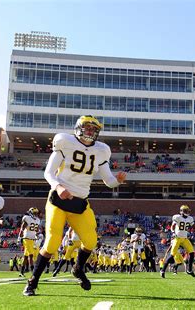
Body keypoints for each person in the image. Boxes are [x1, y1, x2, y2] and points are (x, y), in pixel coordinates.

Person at [23, 115, 126, 296]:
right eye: (87, 128)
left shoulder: (102, 150)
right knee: (53, 242)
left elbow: (108, 180)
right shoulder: (65, 142)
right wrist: (59, 186)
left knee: (91, 241)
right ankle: (32, 282)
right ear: (78, 128)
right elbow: (48, 172)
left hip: (80, 203)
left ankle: (78, 269)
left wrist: (117, 180)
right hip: (59, 200)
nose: (90, 132)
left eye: (93, 130)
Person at [160, 205, 195, 278]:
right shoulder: (177, 217)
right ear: (181, 211)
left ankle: (189, 270)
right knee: (172, 255)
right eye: (185, 211)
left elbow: (194, 225)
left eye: (188, 211)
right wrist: (173, 232)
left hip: (185, 238)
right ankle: (163, 270)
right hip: (177, 238)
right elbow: (173, 226)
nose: (187, 212)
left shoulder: (190, 218)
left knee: (192, 253)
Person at [18, 207, 41, 277]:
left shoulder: (37, 220)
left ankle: (21, 272)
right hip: (26, 238)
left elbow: (36, 229)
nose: (36, 214)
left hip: (32, 239)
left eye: (36, 213)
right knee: (31, 255)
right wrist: (19, 238)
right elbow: (22, 228)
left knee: (25, 256)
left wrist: (37, 235)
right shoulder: (27, 218)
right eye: (34, 213)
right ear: (31, 213)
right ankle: (33, 271)